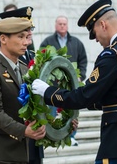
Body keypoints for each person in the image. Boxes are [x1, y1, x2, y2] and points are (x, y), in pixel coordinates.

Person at [31, 0, 117, 163]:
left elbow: (84, 96)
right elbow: (116, 95)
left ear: (103, 25)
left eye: (94, 33)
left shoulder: (112, 55)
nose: (96, 40)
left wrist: (48, 91)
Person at [0, 17, 46, 164]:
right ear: (3, 39)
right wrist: (24, 131)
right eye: (20, 37)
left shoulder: (23, 68)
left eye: (27, 37)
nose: (26, 42)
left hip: (21, 151)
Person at [40, 15, 88, 146]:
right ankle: (51, 136)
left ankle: (71, 136)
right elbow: (41, 59)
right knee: (51, 110)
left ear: (67, 25)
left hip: (71, 86)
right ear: (55, 25)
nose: (62, 26)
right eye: (60, 23)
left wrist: (81, 76)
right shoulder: (47, 42)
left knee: (71, 111)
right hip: (52, 85)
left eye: (64, 24)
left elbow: (83, 60)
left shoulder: (76, 43)